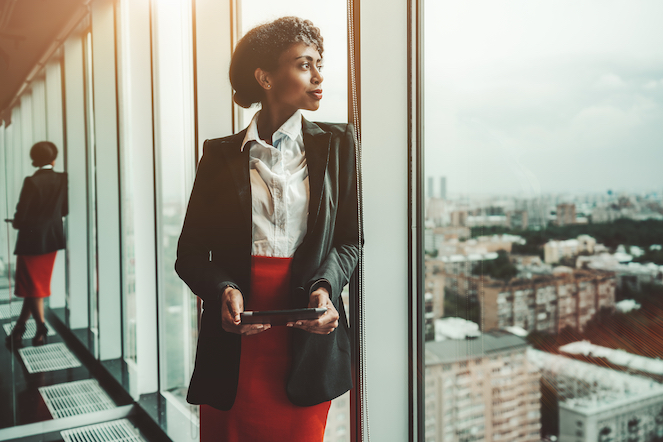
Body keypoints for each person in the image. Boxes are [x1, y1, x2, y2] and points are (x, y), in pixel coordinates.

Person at [175, 17, 360, 442]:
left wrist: (327, 288)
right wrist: (222, 289)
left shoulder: (339, 144)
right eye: (303, 64)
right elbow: (189, 254)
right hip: (236, 335)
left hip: (308, 334)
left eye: (319, 64)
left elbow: (349, 239)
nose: (318, 76)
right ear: (265, 77)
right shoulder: (219, 155)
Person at [5, 141, 68, 347]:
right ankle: (21, 328)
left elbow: (21, 215)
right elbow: (64, 210)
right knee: (35, 287)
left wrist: (15, 222)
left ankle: (40, 325)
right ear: (53, 158)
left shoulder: (31, 181)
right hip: (50, 239)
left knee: (32, 287)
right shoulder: (62, 178)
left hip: (31, 242)